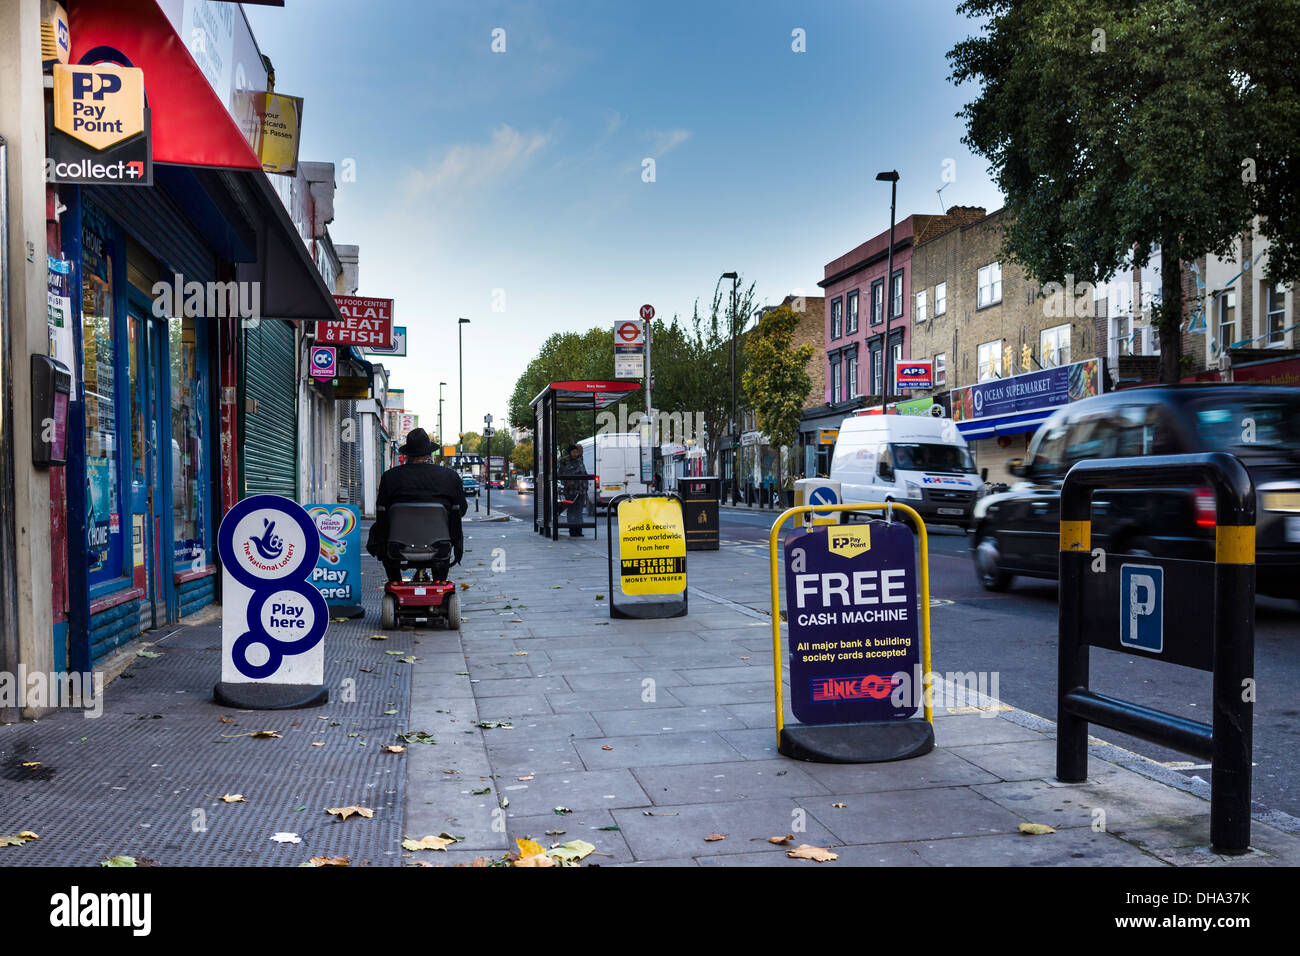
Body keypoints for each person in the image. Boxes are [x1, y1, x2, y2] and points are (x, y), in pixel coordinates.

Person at [366, 428, 467, 582]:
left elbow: (381, 513)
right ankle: (439, 581)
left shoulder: (390, 477)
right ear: (429, 454)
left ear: (407, 455)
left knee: (379, 531)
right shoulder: (450, 477)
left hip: (397, 544)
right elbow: (462, 510)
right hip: (440, 544)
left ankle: (395, 581)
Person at [556, 443, 588, 537]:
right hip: (571, 490)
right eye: (574, 451)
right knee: (572, 510)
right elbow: (561, 473)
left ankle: (579, 530)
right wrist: (568, 482)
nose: (576, 453)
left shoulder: (580, 459)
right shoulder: (564, 460)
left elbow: (583, 472)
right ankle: (572, 530)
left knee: (579, 510)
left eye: (577, 451)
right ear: (570, 452)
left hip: (581, 489)